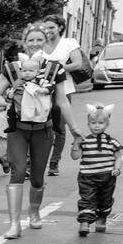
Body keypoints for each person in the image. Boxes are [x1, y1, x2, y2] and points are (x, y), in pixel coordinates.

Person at [0, 28, 83, 239]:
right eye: (30, 39)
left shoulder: (54, 69)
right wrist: (7, 102)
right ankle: (14, 224)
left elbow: (62, 102)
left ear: (45, 41)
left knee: (38, 177)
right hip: (18, 131)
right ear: (24, 42)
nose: (34, 43)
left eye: (39, 39)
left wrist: (75, 129)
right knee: (18, 171)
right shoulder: (12, 68)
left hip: (43, 130)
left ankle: (33, 212)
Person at [39, 15, 87, 177]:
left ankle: (54, 163)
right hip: (41, 91)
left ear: (60, 27)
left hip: (63, 89)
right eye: (45, 27)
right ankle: (32, 163)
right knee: (39, 127)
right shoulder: (40, 43)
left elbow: (77, 63)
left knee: (59, 128)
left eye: (51, 27)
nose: (48, 30)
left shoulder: (69, 43)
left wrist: (56, 69)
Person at [70, 103, 123, 236]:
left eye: (100, 123)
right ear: (88, 124)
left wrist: (117, 169)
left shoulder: (111, 141)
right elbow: (75, 157)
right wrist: (76, 144)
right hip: (87, 177)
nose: (97, 125)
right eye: (93, 123)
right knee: (87, 199)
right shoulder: (85, 141)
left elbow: (118, 157)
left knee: (105, 199)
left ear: (106, 124)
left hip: (107, 176)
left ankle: (101, 218)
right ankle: (85, 223)